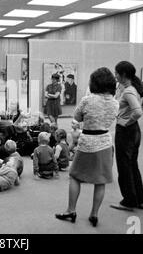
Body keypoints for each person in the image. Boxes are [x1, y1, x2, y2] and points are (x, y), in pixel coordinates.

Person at [55, 67, 119, 228]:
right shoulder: (115, 103)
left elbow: (76, 117)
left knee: (75, 176)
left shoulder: (87, 100)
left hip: (87, 141)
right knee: (101, 181)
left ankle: (71, 210)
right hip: (105, 142)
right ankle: (94, 214)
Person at [111, 61, 143, 212]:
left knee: (124, 166)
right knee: (132, 164)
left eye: (116, 73)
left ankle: (129, 201)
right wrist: (133, 121)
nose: (115, 75)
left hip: (126, 131)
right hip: (135, 131)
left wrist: (126, 122)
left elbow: (138, 111)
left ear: (123, 74)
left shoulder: (128, 91)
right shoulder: (135, 88)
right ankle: (140, 200)